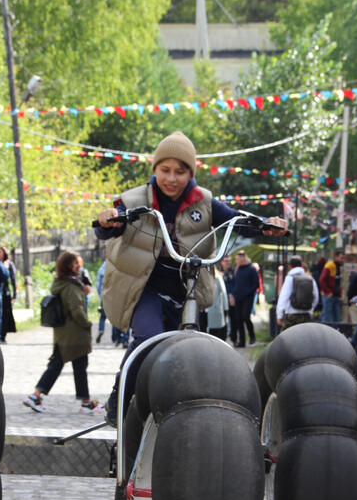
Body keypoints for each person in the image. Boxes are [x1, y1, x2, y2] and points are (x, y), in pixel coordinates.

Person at [94, 131, 287, 423]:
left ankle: (177, 405)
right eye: (165, 170)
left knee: (184, 347)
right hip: (143, 287)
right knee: (146, 337)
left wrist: (265, 225)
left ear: (190, 173)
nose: (172, 178)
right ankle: (119, 396)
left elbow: (235, 220)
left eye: (180, 172)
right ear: (155, 169)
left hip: (185, 289)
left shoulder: (204, 202)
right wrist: (106, 220)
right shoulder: (134, 199)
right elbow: (110, 226)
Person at [23, 251, 103, 414]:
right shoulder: (71, 286)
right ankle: (84, 402)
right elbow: (76, 309)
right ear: (67, 266)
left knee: (63, 365)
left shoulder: (62, 283)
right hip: (74, 333)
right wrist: (87, 324)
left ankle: (38, 396)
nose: (78, 266)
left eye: (77, 263)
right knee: (73, 366)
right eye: (74, 263)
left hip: (64, 333)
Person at [276, 256, 319, 330]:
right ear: (302, 265)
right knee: (305, 339)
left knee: (287, 339)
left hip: (291, 315)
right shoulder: (310, 278)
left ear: (290, 267)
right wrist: (310, 310)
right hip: (307, 315)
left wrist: (279, 315)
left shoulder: (290, 278)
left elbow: (283, 297)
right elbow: (316, 297)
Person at [232, 251, 261, 347]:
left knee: (245, 317)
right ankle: (242, 341)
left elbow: (256, 284)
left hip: (247, 298)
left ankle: (252, 336)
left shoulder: (251, 269)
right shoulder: (238, 269)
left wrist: (248, 292)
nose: (236, 261)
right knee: (239, 319)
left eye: (237, 259)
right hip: (238, 297)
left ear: (243, 259)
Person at [0, 245, 17, 343]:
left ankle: (3, 335)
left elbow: (13, 280)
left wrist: (14, 295)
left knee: (5, 314)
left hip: (5, 292)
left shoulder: (8, 264)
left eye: (0, 252)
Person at [319, 249, 345, 325]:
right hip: (329, 295)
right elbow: (322, 280)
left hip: (336, 295)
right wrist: (327, 292)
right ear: (336, 257)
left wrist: (340, 292)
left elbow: (339, 281)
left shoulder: (339, 267)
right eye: (341, 258)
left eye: (343, 258)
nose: (342, 260)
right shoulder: (329, 265)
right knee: (327, 316)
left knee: (336, 317)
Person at [204, 267, 229, 341]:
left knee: (216, 332)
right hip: (204, 309)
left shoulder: (218, 278)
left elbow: (224, 293)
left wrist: (225, 308)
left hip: (214, 308)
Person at [220, 254, 238, 343]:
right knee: (222, 318)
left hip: (231, 298)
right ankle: (222, 339)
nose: (228, 263)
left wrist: (233, 296)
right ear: (221, 262)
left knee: (233, 319)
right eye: (226, 261)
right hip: (221, 299)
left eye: (229, 261)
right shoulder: (218, 272)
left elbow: (236, 285)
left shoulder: (234, 272)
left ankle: (234, 338)